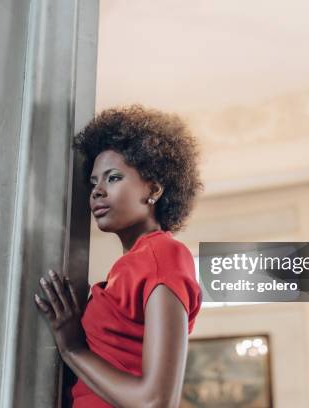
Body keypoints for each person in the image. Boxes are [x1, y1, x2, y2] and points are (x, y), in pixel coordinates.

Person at [34, 105, 204, 407]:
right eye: (94, 182)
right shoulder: (128, 266)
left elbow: (156, 402)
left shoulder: (164, 255)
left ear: (152, 189)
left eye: (113, 178)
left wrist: (73, 348)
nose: (97, 191)